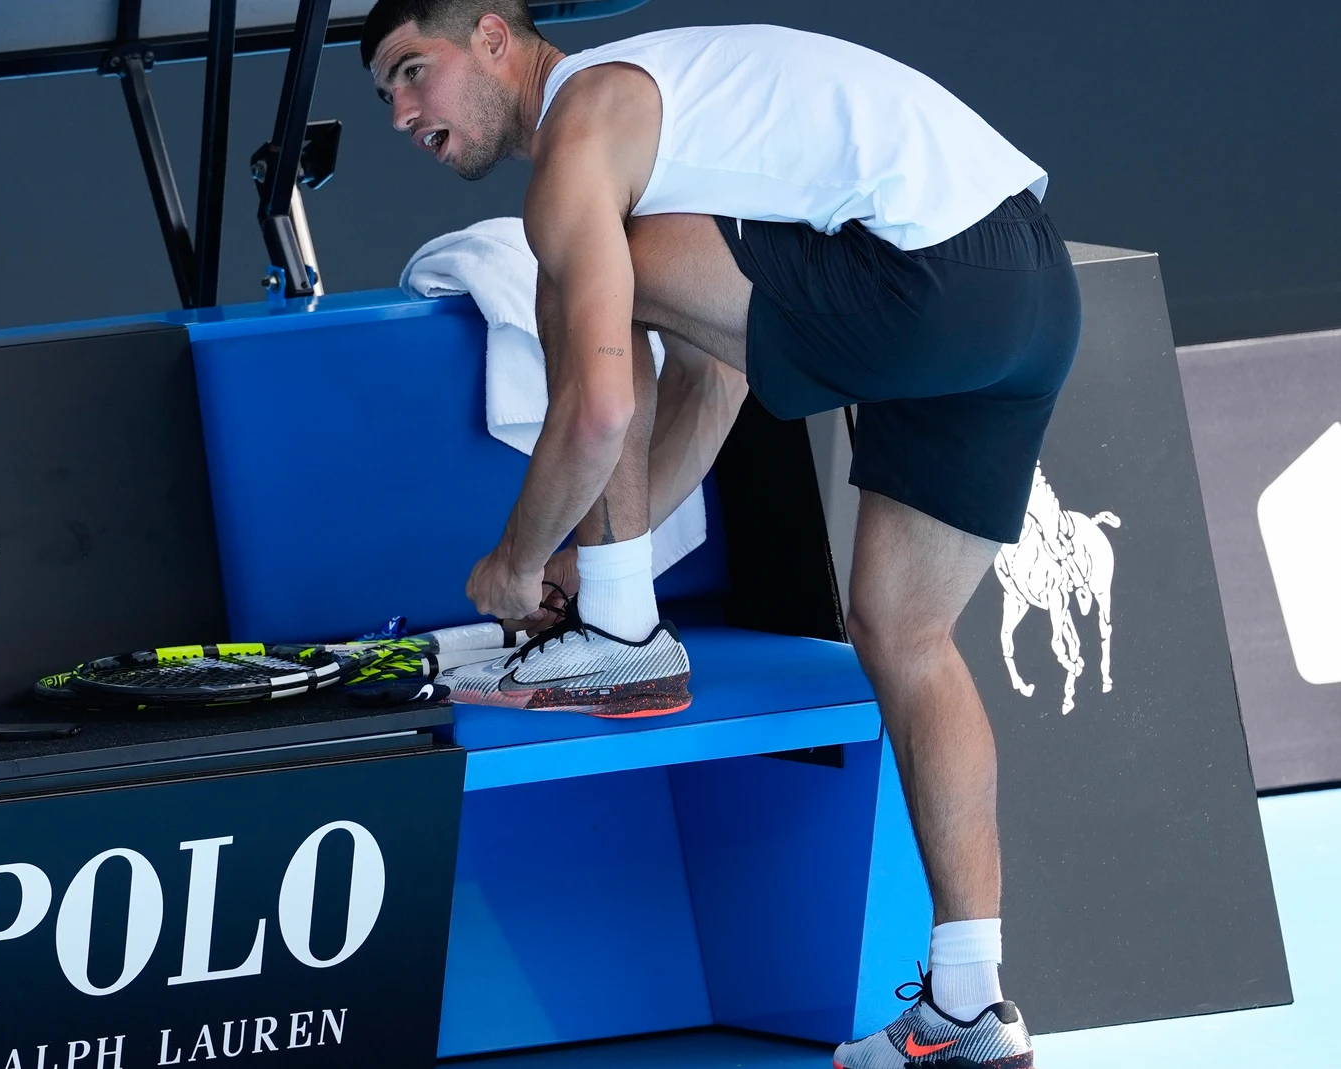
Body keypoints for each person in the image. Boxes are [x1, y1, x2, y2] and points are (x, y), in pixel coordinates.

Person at [361, 3, 1078, 1066]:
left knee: (579, 265)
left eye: (412, 71)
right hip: (1029, 293)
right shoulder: (684, 122)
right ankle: (971, 1007)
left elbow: (601, 404)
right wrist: (614, 553)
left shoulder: (583, 126)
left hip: (925, 279)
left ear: (493, 38)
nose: (400, 111)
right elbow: (721, 367)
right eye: (384, 94)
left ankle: (617, 638)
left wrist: (515, 563)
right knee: (904, 633)